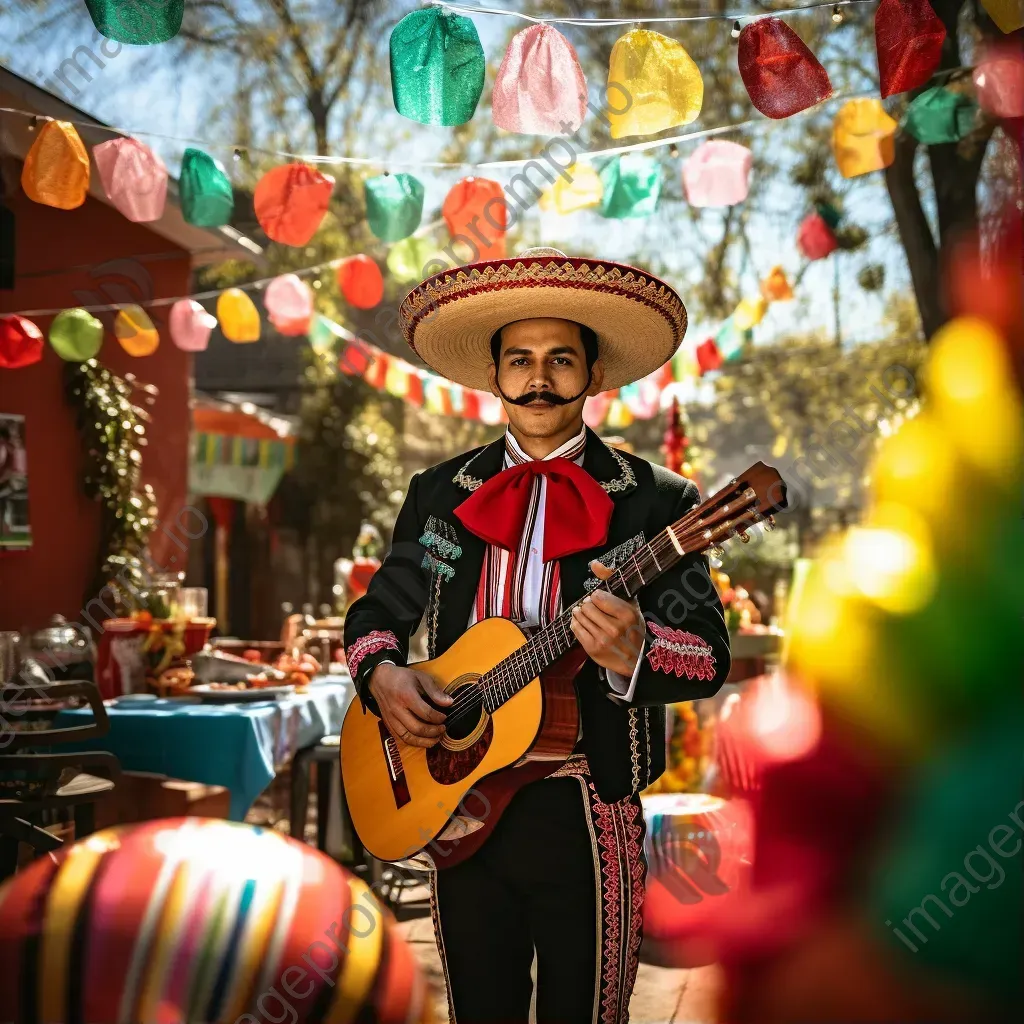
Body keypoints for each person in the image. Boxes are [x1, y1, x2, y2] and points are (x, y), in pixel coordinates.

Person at [343, 248, 731, 1024]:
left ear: (592, 371)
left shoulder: (659, 503)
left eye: (560, 358)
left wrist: (636, 653)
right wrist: (385, 679)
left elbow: (709, 657)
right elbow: (375, 617)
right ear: (495, 375)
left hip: (588, 807)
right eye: (519, 359)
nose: (539, 376)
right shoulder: (440, 494)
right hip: (453, 797)